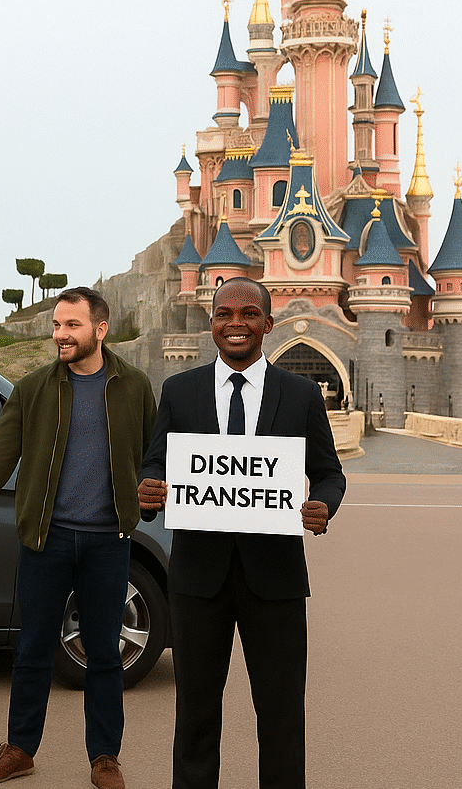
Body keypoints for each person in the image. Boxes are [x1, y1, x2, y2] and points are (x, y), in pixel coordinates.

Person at [0, 287, 157, 789]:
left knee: (104, 653)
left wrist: (150, 497)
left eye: (71, 325)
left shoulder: (134, 386)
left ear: (100, 328)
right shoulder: (31, 390)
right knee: (33, 649)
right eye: (56, 325)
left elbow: (152, 457)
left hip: (107, 542)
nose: (60, 335)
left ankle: (105, 758)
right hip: (45, 541)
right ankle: (21, 749)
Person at [136, 276, 346, 789]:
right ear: (211, 324)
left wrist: (324, 504)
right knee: (195, 716)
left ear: (268, 325)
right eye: (225, 314)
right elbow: (155, 463)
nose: (236, 323)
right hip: (196, 580)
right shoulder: (179, 392)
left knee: (280, 717)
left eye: (249, 314)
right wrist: (148, 488)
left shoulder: (298, 395)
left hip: (274, 579)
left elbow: (329, 471)